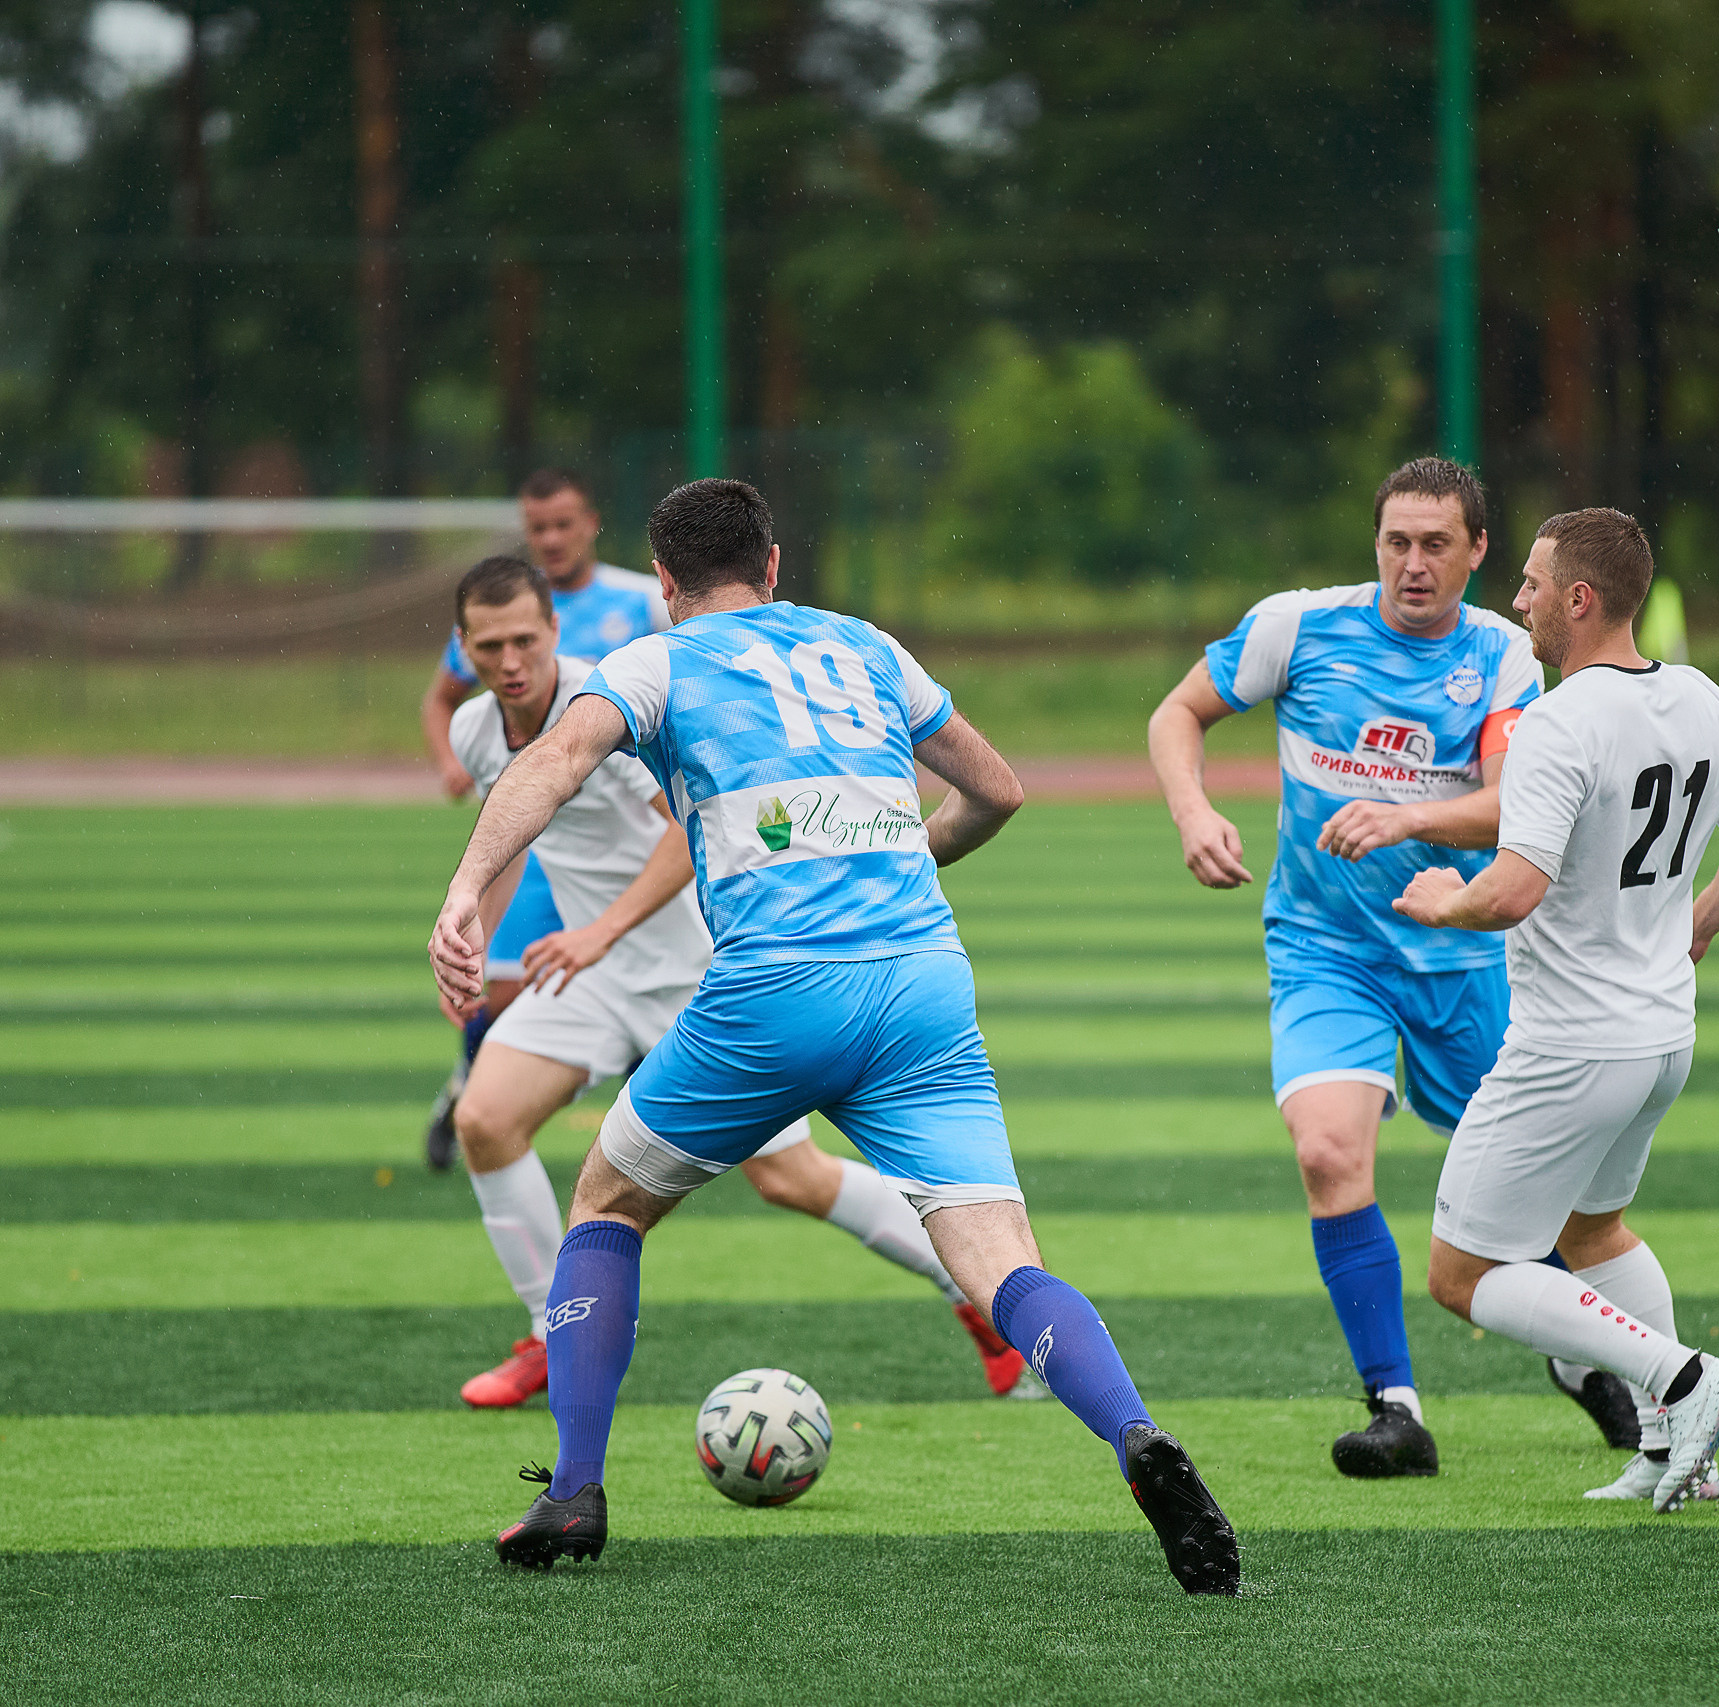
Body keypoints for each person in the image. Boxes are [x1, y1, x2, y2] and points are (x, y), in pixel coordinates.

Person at [430, 479, 1238, 1594]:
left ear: (663, 586)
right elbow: (997, 790)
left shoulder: (657, 661)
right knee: (1003, 1260)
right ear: (772, 567)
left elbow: (559, 760)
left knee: (607, 1204)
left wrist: (469, 888)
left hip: (772, 994)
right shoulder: (865, 645)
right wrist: (908, 858)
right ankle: (1137, 1436)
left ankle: (573, 1491)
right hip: (923, 987)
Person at [440, 554, 1045, 1411]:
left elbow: (683, 839)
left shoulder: (612, 700)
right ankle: (548, 1330)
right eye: (490, 644)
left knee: (791, 1179)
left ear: (553, 634)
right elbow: (513, 836)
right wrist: (479, 940)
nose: (511, 661)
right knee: (485, 1121)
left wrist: (602, 930)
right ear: (462, 649)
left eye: (526, 640)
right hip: (590, 977)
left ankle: (975, 1292)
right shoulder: (475, 729)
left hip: (699, 972)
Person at [1150, 456, 1630, 1480]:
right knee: (1327, 1153)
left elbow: (1511, 804)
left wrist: (1408, 815)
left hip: (1460, 951)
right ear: (1374, 542)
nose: (1413, 565)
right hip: (1325, 950)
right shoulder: (1298, 626)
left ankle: (1574, 1356)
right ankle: (1394, 1408)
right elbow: (1175, 713)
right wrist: (1193, 810)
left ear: (1479, 552)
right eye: (1396, 542)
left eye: (1436, 545)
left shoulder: (1505, 656)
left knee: (1529, 1197)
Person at [1393, 508, 1719, 1513]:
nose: (1516, 601)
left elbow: (1514, 889)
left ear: (1579, 599)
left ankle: (1685, 1380)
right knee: (1595, 1227)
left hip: (1572, 1043)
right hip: (1662, 1033)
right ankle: (1669, 1452)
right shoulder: (1698, 699)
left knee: (1459, 1275)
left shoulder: (1557, 722)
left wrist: (1445, 901)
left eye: (1530, 584)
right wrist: (1691, 928)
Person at [420, 470, 668, 1172]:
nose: (552, 538)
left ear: (591, 522)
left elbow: (684, 818)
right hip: (552, 851)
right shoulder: (488, 658)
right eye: (539, 528)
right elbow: (444, 703)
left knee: (783, 1169)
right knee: (498, 1000)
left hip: (667, 917)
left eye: (564, 524)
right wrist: (449, 764)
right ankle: (469, 1089)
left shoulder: (641, 606)